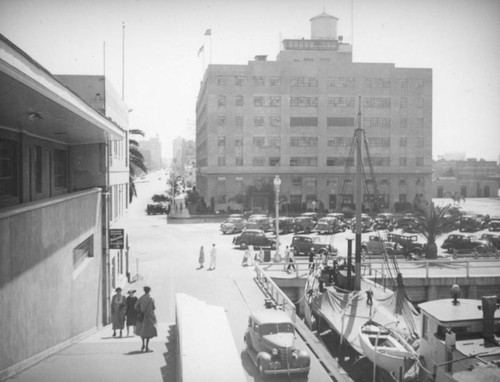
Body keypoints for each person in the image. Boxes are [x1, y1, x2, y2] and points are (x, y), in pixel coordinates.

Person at [134, 286, 158, 352]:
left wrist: (140, 310)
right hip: (149, 317)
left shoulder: (141, 298)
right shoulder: (151, 299)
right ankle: (147, 346)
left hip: (142, 316)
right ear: (149, 290)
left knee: (142, 331)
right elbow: (154, 308)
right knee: (148, 332)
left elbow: (135, 307)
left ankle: (143, 344)